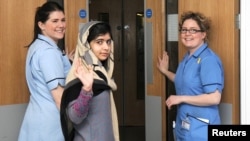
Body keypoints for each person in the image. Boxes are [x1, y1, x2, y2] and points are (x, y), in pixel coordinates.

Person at [157, 11, 224, 141]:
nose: (187, 34)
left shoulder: (208, 60)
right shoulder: (187, 58)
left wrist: (180, 98)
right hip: (185, 128)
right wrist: (165, 71)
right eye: (184, 30)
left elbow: (215, 98)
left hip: (202, 130)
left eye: (193, 30)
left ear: (203, 34)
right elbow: (183, 81)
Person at [18, 2, 71, 141]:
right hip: (50, 125)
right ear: (41, 25)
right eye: (55, 21)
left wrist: (64, 59)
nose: (61, 25)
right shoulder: (49, 52)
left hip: (35, 120)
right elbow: (60, 97)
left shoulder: (36, 46)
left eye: (63, 20)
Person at [60, 21, 119, 141]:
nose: (106, 47)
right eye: (99, 42)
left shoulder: (102, 73)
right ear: (86, 45)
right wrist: (86, 90)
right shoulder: (80, 73)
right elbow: (74, 117)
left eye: (108, 42)